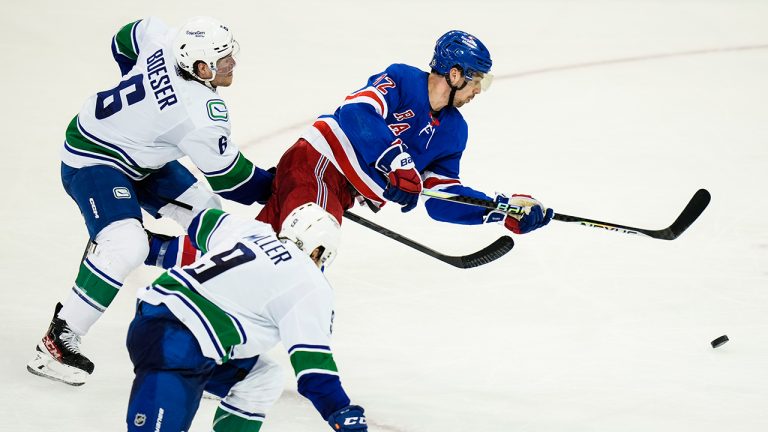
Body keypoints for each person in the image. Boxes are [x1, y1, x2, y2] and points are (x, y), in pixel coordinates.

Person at [27, 16, 274, 386]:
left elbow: (125, 38)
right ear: (201, 67)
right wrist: (279, 185)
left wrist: (140, 108)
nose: (232, 63)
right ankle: (56, 342)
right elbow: (231, 179)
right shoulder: (199, 113)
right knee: (125, 244)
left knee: (210, 221)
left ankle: (200, 336)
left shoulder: (167, 39)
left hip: (143, 158)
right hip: (93, 159)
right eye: (224, 59)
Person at [256, 30, 554, 237]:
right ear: (455, 74)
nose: (478, 90)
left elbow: (440, 199)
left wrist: (500, 209)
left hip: (341, 190)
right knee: (301, 259)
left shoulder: (454, 131)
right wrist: (396, 162)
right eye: (477, 79)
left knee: (260, 251)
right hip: (318, 164)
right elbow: (356, 112)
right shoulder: (402, 79)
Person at [126, 204, 368, 432]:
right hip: (178, 345)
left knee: (263, 377)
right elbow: (314, 371)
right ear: (317, 250)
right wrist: (341, 409)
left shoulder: (255, 231)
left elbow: (203, 222)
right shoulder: (309, 281)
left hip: (158, 319)